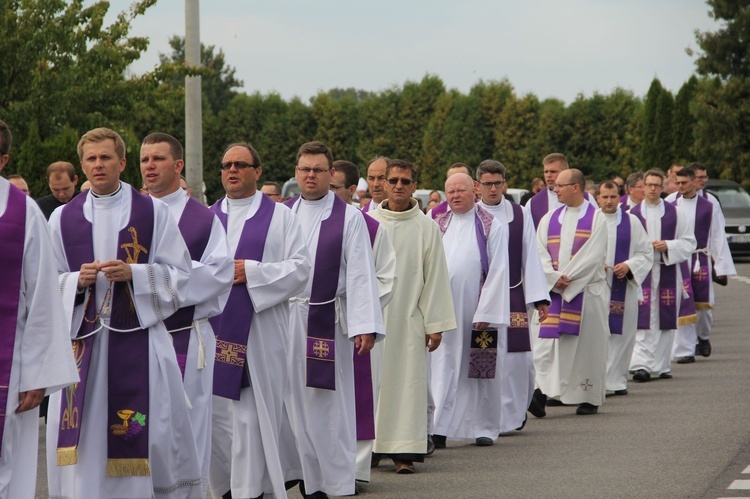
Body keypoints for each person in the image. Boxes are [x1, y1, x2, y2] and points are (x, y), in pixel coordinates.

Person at [47, 127, 202, 498]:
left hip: (139, 346)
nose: (98, 165)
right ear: (82, 165)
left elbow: (182, 277)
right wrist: (74, 282)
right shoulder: (61, 219)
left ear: (122, 162)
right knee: (82, 442)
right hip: (80, 351)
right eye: (91, 158)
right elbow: (43, 287)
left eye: (105, 157)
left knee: (155, 433)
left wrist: (134, 273)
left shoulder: (154, 213)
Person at [205, 142, 310, 498]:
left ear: (258, 170)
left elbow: (301, 269)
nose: (231, 171)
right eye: (226, 165)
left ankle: (251, 489)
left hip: (262, 333)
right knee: (219, 417)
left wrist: (251, 271)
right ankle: (226, 486)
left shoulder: (281, 217)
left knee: (252, 415)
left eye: (240, 164)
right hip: (214, 331)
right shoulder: (207, 217)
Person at [282, 141, 383, 497]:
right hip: (284, 320)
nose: (311, 175)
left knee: (327, 404)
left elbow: (359, 274)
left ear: (330, 175)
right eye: (305, 169)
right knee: (290, 401)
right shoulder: (283, 213)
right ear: (296, 174)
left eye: (318, 170)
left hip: (325, 318)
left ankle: (335, 481)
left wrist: (364, 326)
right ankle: (305, 478)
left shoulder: (349, 218)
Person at [139, 133, 233, 496]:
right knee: (142, 423)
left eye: (158, 159)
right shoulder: (133, 213)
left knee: (187, 428)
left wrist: (156, 284)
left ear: (178, 166)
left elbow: (220, 273)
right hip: (136, 338)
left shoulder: (202, 219)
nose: (150, 166)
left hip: (185, 334)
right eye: (145, 159)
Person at [0, 119, 78, 498]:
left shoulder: (23, 212)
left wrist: (38, 371)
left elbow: (45, 294)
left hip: (8, 364)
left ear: (3, 159)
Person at [370, 158, 456, 474]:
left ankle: (405, 452)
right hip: (374, 320)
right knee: (374, 386)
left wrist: (435, 325)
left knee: (407, 387)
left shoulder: (426, 227)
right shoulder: (367, 221)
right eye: (393, 180)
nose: (398, 186)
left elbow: (434, 277)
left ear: (415, 186)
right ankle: (373, 447)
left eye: (405, 181)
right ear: (383, 183)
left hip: (408, 319)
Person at [330, 159, 397, 487]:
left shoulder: (368, 226)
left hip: (349, 322)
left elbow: (385, 277)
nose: (327, 192)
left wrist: (361, 314)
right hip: (309, 322)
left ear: (350, 190)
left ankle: (354, 469)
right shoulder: (296, 218)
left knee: (356, 396)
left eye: (334, 187)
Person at [429, 173, 508, 446]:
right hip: (443, 310)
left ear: (473, 190)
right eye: (450, 191)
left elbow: (498, 270)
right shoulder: (436, 222)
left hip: (478, 311)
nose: (455, 196)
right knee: (442, 366)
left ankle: (483, 427)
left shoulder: (490, 225)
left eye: (461, 190)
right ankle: (438, 426)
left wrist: (486, 312)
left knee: (480, 370)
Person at [475, 160, 550, 428]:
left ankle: (513, 415)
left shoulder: (519, 214)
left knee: (518, 360)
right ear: (478, 186)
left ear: (504, 184)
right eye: (487, 184)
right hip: (481, 298)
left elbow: (531, 256)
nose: (493, 189)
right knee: (485, 356)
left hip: (513, 294)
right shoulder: (470, 215)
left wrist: (539, 297)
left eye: (497, 183)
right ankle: (486, 417)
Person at [531, 169, 609, 415]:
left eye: (559, 186)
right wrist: (554, 279)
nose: (555, 190)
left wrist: (569, 280)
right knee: (547, 347)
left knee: (586, 348)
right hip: (554, 294)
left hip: (586, 294)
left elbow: (594, 256)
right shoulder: (549, 218)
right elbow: (539, 252)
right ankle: (541, 393)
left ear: (576, 187)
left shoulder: (597, 218)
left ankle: (588, 396)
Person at [628, 169, 696, 382]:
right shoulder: (632, 215)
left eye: (657, 185)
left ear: (663, 187)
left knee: (665, 319)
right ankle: (640, 365)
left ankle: (661, 365)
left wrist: (668, 245)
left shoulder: (677, 213)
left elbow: (689, 242)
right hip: (642, 273)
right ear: (643, 186)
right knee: (643, 319)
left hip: (667, 268)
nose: (653, 189)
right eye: (648, 185)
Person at [670, 167, 735, 364]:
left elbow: (717, 235)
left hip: (700, 259)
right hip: (679, 260)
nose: (680, 186)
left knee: (704, 307)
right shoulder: (670, 202)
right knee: (683, 303)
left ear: (693, 182)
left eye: (684, 183)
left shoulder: (709, 205)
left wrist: (721, 265)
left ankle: (703, 336)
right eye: (678, 183)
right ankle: (685, 350)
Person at [596, 181, 652, 396]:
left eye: (613, 197)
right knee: (598, 334)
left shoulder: (632, 221)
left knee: (623, 333)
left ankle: (616, 380)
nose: (609, 201)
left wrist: (629, 265)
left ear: (619, 197)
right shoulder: (590, 221)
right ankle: (598, 379)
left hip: (623, 287)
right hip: (596, 287)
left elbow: (646, 253)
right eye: (604, 197)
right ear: (598, 198)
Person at [526, 153, 571, 228]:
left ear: (566, 172)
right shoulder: (532, 203)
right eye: (546, 172)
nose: (548, 175)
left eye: (553, 171)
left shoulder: (585, 198)